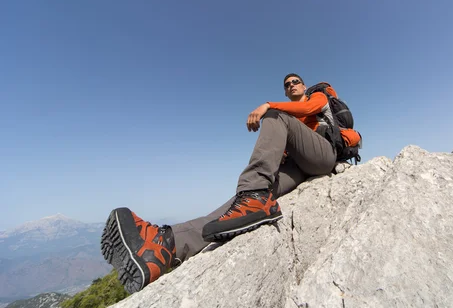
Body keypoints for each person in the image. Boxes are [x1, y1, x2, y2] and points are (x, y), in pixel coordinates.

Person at [101, 74, 351, 294]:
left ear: (304, 85)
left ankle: (253, 193)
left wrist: (267, 105)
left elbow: (310, 109)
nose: (291, 85)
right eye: (287, 85)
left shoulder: (316, 95)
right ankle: (166, 247)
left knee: (275, 117)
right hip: (296, 168)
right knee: (239, 208)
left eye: (295, 82)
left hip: (323, 157)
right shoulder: (290, 117)